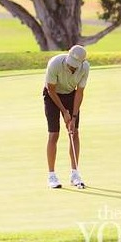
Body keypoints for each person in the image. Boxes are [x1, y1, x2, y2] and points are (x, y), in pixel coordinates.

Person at [42, 45, 89, 189]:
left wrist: (73, 116)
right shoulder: (55, 63)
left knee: (74, 132)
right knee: (54, 134)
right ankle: (52, 175)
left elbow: (79, 93)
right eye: (70, 65)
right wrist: (64, 111)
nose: (71, 68)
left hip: (70, 95)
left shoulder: (85, 68)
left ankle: (75, 174)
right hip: (52, 96)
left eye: (74, 66)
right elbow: (51, 89)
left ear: (81, 63)